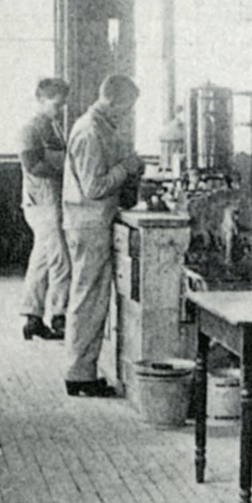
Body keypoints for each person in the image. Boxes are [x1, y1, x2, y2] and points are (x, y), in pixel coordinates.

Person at [61, 74, 145, 398]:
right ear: (111, 100)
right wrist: (126, 167)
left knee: (91, 299)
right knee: (88, 300)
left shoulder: (99, 128)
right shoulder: (89, 132)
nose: (126, 115)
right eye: (125, 108)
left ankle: (82, 370)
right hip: (88, 223)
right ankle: (79, 375)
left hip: (91, 223)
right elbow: (94, 187)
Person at [18, 77, 71, 341]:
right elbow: (33, 165)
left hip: (54, 200)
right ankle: (60, 316)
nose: (59, 109)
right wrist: (68, 172)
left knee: (41, 259)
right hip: (40, 201)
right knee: (60, 258)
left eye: (62, 105)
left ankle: (33, 317)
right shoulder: (30, 129)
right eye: (55, 104)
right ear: (40, 100)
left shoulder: (55, 128)